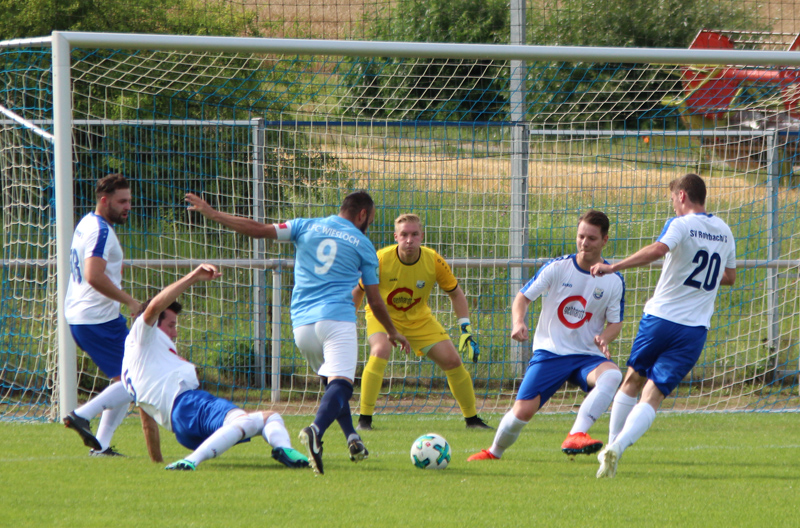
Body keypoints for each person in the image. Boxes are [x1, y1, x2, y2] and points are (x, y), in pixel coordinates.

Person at [185, 190, 411, 475]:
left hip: (302, 325)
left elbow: (257, 230)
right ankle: (316, 430)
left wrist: (213, 213)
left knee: (333, 385)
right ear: (362, 214)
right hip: (336, 320)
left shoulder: (305, 225)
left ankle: (352, 436)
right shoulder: (364, 245)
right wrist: (392, 331)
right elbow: (375, 301)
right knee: (342, 383)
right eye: (371, 219)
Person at [590, 173, 736, 478]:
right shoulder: (724, 231)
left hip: (661, 319)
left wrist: (612, 267)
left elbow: (658, 249)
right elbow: (729, 277)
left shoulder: (680, 224)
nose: (673, 205)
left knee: (632, 380)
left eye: (673, 199)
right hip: (694, 329)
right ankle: (617, 449)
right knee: (654, 395)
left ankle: (613, 442)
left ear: (682, 196)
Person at [468, 210, 625, 462]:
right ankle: (493, 452)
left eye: (592, 238)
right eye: (581, 236)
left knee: (613, 375)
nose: (584, 243)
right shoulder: (558, 267)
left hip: (587, 357)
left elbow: (616, 322)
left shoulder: (614, 280)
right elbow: (523, 297)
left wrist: (605, 337)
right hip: (551, 352)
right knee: (522, 412)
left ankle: (577, 433)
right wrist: (518, 322)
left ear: (605, 240)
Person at [120, 263, 309, 471]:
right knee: (242, 420)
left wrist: (156, 461)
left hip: (182, 429)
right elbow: (153, 308)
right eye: (171, 325)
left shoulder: (136, 365)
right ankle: (191, 461)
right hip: (189, 405)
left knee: (270, 417)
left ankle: (284, 449)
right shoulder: (142, 335)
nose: (175, 333)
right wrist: (193, 277)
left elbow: (147, 423)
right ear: (154, 323)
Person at [351, 213, 490, 430]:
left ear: (422, 236)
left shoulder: (433, 260)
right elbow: (359, 291)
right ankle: (364, 420)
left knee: (452, 361)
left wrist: (465, 328)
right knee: (380, 351)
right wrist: (348, 322)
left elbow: (456, 293)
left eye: (414, 234)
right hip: (383, 316)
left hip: (419, 318)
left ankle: (472, 420)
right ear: (395, 236)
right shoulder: (380, 259)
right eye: (404, 234)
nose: (409, 240)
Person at [63, 173, 143, 457]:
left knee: (126, 378)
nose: (127, 206)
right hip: (96, 320)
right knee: (138, 378)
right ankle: (82, 415)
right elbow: (93, 275)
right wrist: (131, 302)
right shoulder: (100, 231)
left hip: (92, 317)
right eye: (122, 201)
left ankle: (101, 446)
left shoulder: (87, 222)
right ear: (105, 200)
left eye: (130, 201)